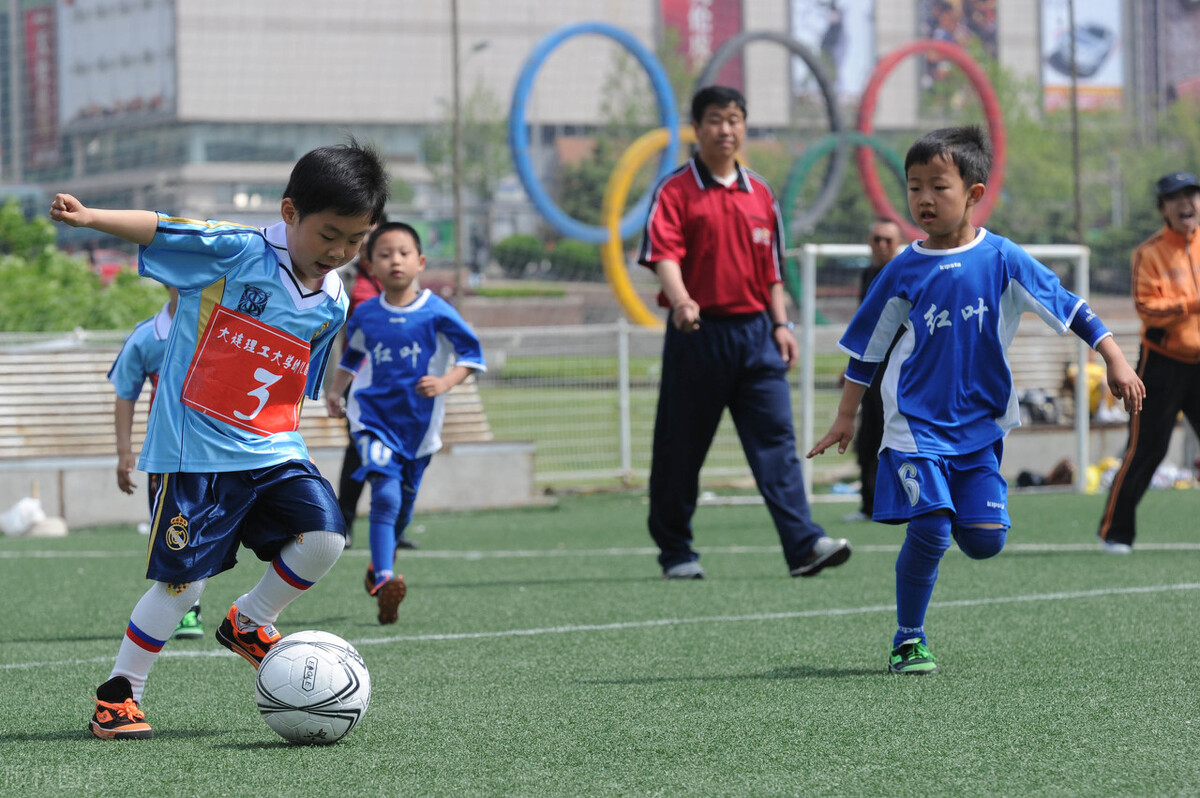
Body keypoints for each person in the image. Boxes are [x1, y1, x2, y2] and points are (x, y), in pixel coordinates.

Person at [51, 139, 389, 739]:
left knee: (325, 537)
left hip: (273, 449)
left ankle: (250, 621)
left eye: (356, 240)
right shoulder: (236, 253)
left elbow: (293, 379)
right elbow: (162, 229)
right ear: (290, 214)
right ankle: (120, 693)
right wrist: (92, 217)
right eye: (329, 234)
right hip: (193, 455)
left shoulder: (333, 299)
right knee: (184, 586)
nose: (339, 252)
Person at [807, 125, 1144, 674]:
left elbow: (1070, 306)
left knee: (985, 541)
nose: (923, 199)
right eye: (914, 187)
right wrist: (846, 414)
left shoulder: (1003, 259)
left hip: (980, 425)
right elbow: (866, 349)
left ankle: (964, 523)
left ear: (974, 193)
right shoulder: (902, 268)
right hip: (914, 426)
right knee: (934, 527)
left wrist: (1114, 357)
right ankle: (908, 639)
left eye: (937, 186)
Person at [637, 85, 851, 580]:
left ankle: (803, 547)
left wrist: (782, 324)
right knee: (681, 449)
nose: (726, 129)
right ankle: (676, 552)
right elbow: (663, 253)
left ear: (745, 127)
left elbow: (771, 269)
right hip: (698, 334)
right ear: (698, 128)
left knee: (777, 443)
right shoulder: (675, 190)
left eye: (735, 119)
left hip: (757, 335)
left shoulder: (762, 194)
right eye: (715, 119)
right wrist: (682, 299)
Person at [326, 221, 485, 624]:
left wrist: (445, 381)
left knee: (403, 508)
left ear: (420, 262)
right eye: (384, 254)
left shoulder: (437, 312)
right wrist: (335, 391)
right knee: (385, 495)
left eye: (403, 253)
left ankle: (378, 565)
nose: (394, 260)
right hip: (372, 419)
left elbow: (472, 356)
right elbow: (351, 356)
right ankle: (383, 578)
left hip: (419, 430)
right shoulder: (364, 313)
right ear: (369, 265)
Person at [1097, 171, 1200, 554]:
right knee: (1147, 450)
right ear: (1163, 208)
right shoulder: (1149, 252)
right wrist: (1191, 304)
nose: (1186, 203)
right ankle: (1115, 533)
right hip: (1161, 364)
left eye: (1191, 194)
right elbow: (1147, 308)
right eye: (1176, 197)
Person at [108, 286, 204, 640]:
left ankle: (254, 614)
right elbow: (125, 392)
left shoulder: (225, 328)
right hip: (169, 453)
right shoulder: (147, 336)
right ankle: (186, 610)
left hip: (227, 450)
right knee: (176, 530)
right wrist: (124, 452)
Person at [330, 215, 418, 551]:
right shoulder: (346, 277)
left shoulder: (403, 278)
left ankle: (395, 528)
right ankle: (344, 525)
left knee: (403, 451)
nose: (369, 239)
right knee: (358, 452)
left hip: (400, 380)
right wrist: (335, 388)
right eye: (364, 233)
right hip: (361, 382)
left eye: (374, 232)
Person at [842, 218, 906, 523]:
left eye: (888, 241)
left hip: (902, 371)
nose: (881, 246)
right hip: (872, 372)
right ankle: (870, 505)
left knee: (897, 437)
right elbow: (864, 326)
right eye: (877, 239)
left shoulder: (907, 273)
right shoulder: (868, 274)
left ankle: (904, 502)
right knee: (868, 437)